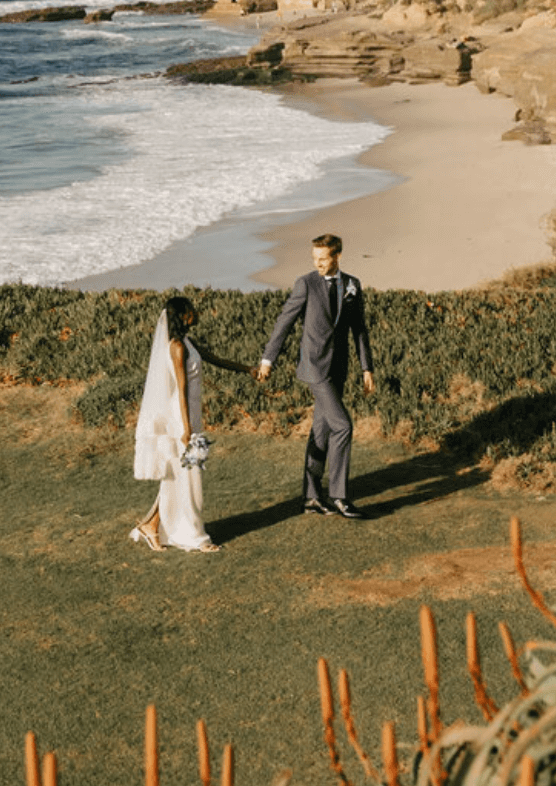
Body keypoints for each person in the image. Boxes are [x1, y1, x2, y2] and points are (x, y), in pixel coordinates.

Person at [257, 233, 375, 519]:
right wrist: (267, 358)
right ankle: (339, 497)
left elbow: (359, 328)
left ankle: (311, 497)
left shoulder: (352, 285)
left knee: (321, 430)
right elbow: (285, 320)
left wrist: (366, 367)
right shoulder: (306, 284)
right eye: (315, 259)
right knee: (343, 425)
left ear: (337, 257)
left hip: (339, 368)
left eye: (323, 259)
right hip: (314, 368)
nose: (318, 264)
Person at [130, 296, 253, 553]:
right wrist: (187, 429)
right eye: (191, 311)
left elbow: (215, 359)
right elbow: (182, 389)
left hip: (192, 415)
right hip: (182, 418)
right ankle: (192, 535)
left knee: (179, 475)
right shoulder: (176, 347)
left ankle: (151, 525)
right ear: (183, 315)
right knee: (189, 474)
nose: (196, 313)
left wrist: (247, 369)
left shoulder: (187, 341)